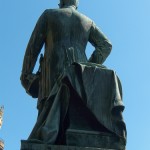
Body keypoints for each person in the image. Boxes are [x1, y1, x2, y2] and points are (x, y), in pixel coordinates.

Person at [20, 0, 126, 149]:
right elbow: (106, 45)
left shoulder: (49, 15)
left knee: (47, 126)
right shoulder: (87, 21)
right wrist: (87, 67)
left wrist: (26, 76)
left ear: (61, 2)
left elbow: (32, 50)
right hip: (79, 79)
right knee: (74, 122)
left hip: (51, 75)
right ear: (76, 3)